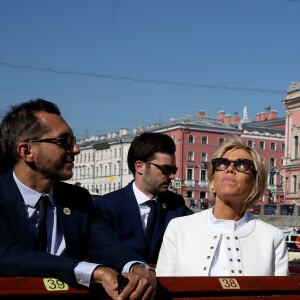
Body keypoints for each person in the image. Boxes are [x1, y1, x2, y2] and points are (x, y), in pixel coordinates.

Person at [0, 98, 156, 300]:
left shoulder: (77, 199)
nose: (75, 150)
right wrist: (92, 272)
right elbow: (9, 256)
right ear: (27, 151)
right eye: (63, 141)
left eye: (73, 141)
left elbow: (107, 246)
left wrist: (138, 267)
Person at [156, 138, 289, 276]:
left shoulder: (272, 238)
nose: (230, 169)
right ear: (212, 181)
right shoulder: (179, 229)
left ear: (256, 185)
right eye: (222, 163)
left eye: (242, 164)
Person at [94, 132, 193, 264]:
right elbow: (103, 251)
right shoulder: (108, 206)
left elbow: (200, 229)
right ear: (140, 167)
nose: (171, 176)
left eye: (173, 170)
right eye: (165, 169)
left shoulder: (176, 204)